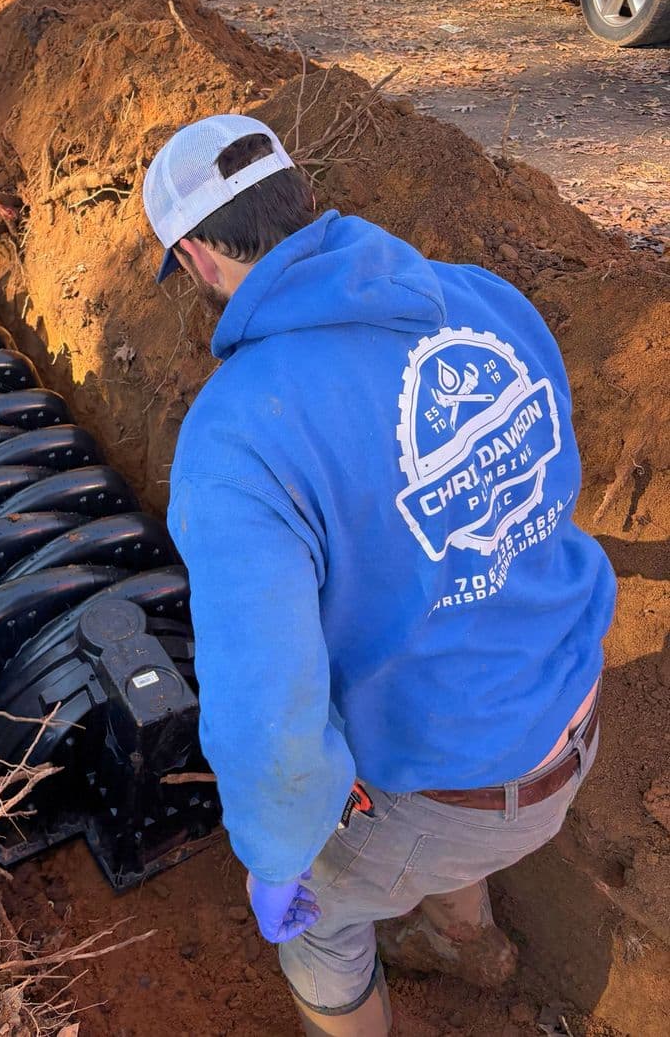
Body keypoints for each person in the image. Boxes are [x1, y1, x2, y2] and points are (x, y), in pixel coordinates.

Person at [142, 114, 615, 1037]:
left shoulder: (239, 435)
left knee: (322, 923)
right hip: (573, 710)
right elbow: (551, 483)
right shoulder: (482, 299)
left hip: (457, 790)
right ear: (298, 199)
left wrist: (277, 855)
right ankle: (469, 942)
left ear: (198, 256)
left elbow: (270, 708)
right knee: (427, 754)